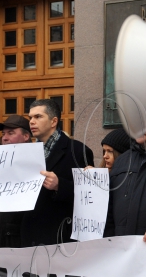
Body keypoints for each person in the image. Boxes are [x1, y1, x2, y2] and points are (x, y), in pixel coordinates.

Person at [22, 100, 94, 246]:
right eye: (30, 118)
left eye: (38, 117)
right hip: (28, 237)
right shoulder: (24, 153)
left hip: (60, 237)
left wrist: (59, 185)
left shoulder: (78, 151)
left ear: (54, 121)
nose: (32, 122)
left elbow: (89, 197)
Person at [0, 116, 31, 248]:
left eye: (11, 133)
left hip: (16, 237)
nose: (5, 137)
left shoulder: (35, 163)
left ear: (26, 136)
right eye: (3, 134)